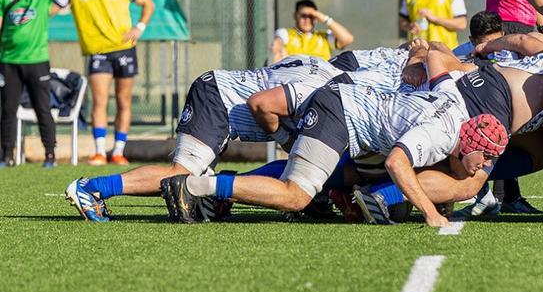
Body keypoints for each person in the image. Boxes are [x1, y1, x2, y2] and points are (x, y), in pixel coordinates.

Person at [64, 54, 341, 222]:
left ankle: (219, 194)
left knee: (194, 178)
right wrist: (285, 137)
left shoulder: (320, 66)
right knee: (183, 174)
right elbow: (261, 104)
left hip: (218, 92)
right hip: (217, 101)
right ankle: (92, 187)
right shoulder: (323, 87)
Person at [52, 0, 156, 166]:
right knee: (99, 101)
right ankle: (99, 151)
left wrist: (139, 27)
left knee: (123, 100)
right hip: (98, 52)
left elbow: (148, 4)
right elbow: (50, 9)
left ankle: (118, 151)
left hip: (124, 49)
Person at [0, 0, 68, 167]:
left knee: (42, 108)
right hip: (9, 61)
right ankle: (7, 155)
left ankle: (50, 154)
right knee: (8, 109)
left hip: (37, 61)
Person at [270, 0, 354, 63]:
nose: (307, 20)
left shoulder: (324, 37)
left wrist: (323, 18)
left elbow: (347, 39)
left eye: (311, 16)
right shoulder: (286, 33)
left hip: (320, 80)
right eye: (303, 16)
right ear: (295, 16)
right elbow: (277, 44)